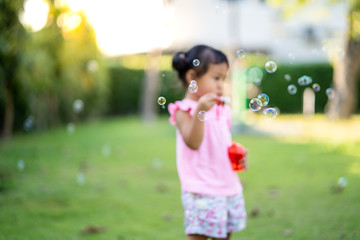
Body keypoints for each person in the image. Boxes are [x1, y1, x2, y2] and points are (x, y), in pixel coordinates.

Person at [168, 45, 247, 240]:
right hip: (201, 189)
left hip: (227, 185)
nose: (222, 85)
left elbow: (219, 143)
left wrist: (238, 154)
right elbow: (193, 142)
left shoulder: (220, 109)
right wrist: (200, 111)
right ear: (192, 78)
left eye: (224, 78)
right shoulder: (183, 110)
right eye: (216, 78)